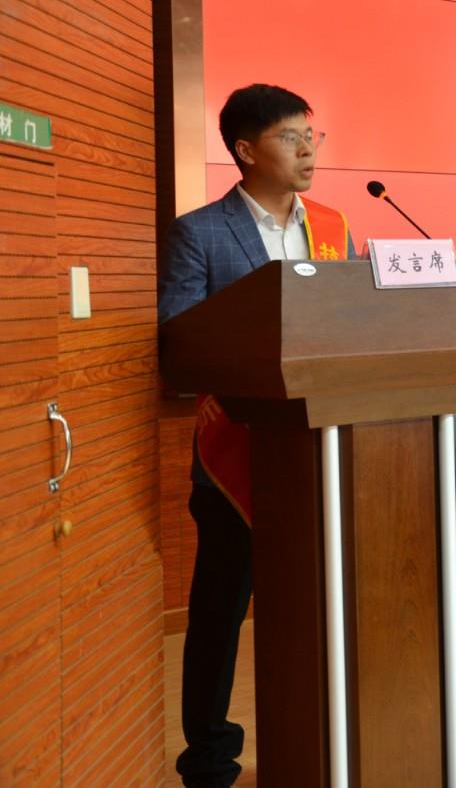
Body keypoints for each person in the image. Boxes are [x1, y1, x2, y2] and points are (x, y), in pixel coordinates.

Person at [157, 84, 355, 788]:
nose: (307, 150)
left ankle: (318, 734)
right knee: (220, 610)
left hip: (320, 444)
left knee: (314, 605)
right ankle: (209, 756)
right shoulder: (200, 232)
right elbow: (180, 341)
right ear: (245, 150)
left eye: (311, 135)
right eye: (289, 137)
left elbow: (352, 322)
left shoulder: (332, 228)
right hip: (236, 451)